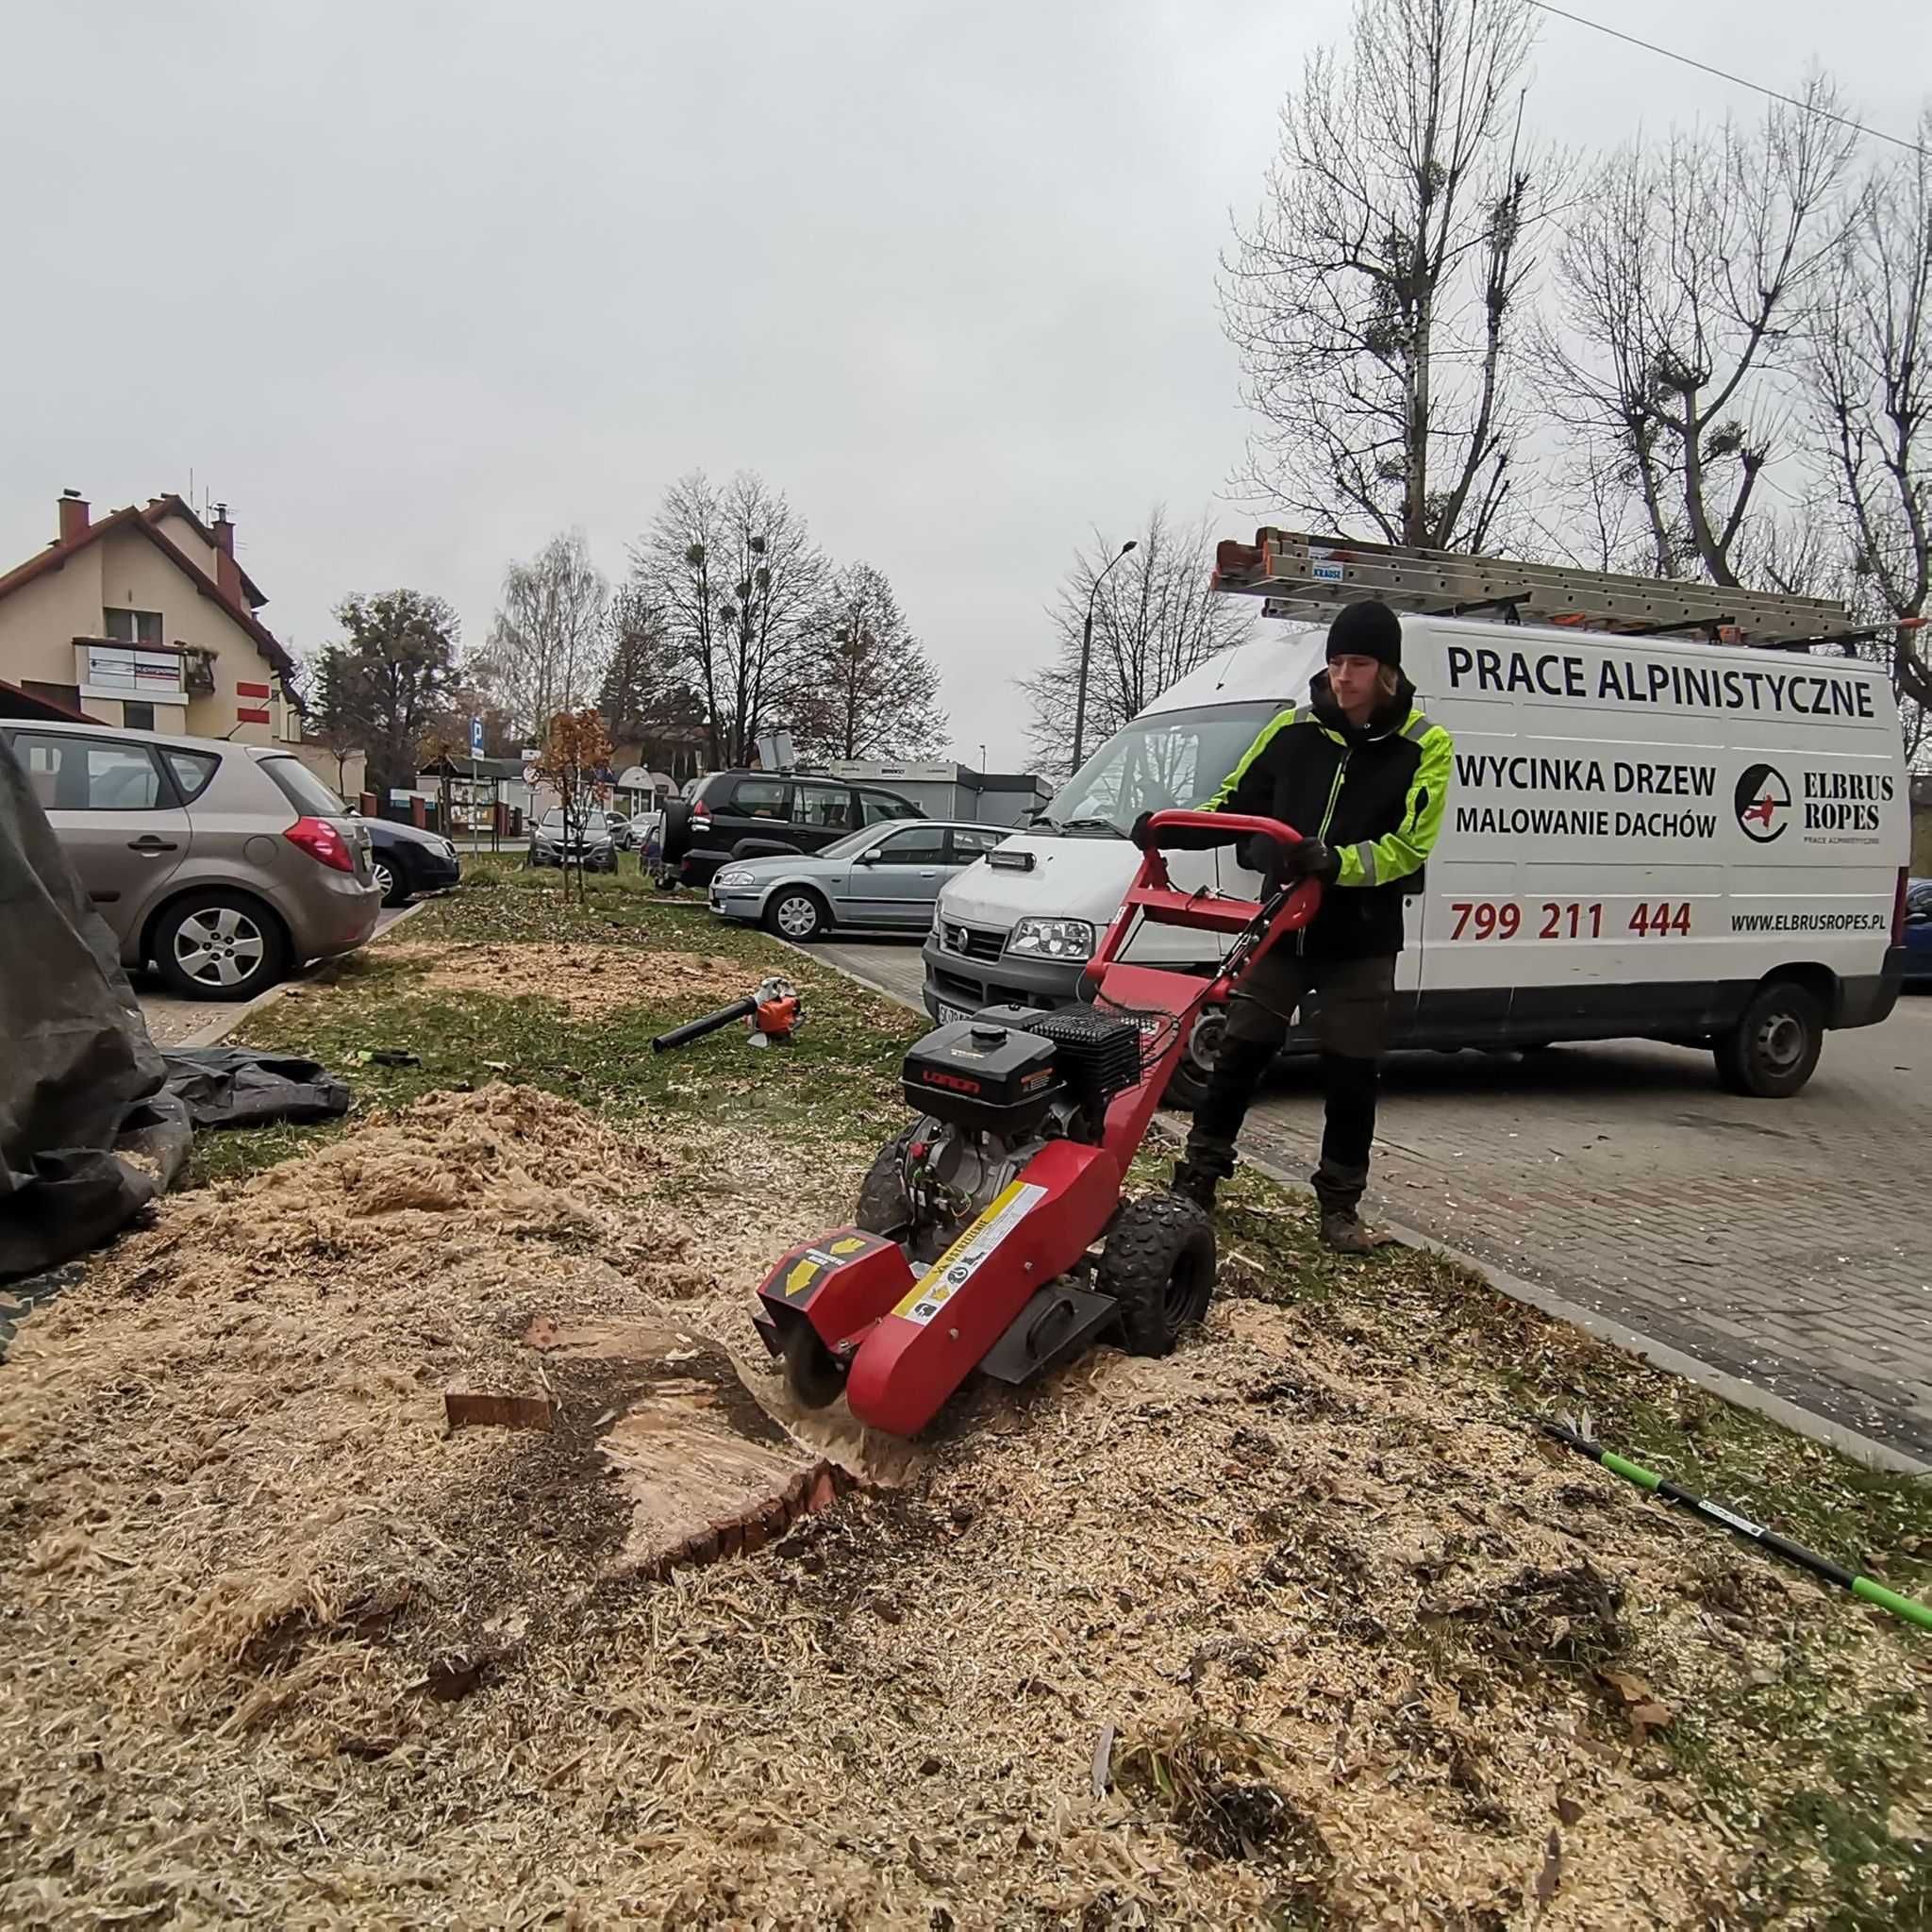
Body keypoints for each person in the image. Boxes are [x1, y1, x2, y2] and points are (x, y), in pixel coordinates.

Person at [1132, 599, 1454, 1252]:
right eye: (1336, 662)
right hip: (1282, 924)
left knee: (1350, 1071)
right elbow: (1237, 801)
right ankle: (1198, 1175)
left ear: (1387, 670)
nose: (1343, 676)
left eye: (1358, 663)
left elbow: (1411, 846)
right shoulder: (1294, 730)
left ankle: (1339, 1207)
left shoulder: (1424, 747)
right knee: (1240, 1050)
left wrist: (1337, 862)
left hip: (1360, 935)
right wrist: (1175, 827)